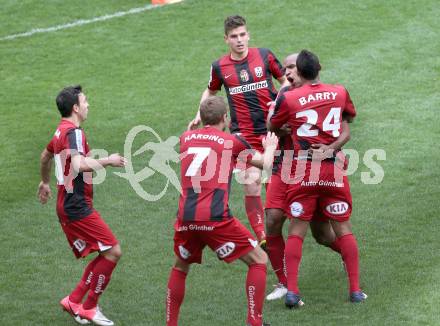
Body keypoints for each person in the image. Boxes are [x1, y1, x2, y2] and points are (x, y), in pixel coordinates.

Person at [167, 96, 278, 326]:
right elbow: (266, 164)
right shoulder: (231, 141)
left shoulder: (185, 138)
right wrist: (270, 147)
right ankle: (254, 322)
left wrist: (193, 129)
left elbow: (196, 139)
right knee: (259, 260)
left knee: (180, 268)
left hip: (186, 217)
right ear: (225, 118)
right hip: (216, 218)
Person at [268, 50, 367, 308]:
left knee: (297, 230)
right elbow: (347, 122)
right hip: (332, 168)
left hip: (303, 169)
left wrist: (279, 126)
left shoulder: (289, 98)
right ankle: (355, 291)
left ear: (298, 71)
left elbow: (272, 126)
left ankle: (292, 292)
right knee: (342, 228)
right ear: (320, 67)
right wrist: (331, 148)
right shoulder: (339, 92)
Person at [187, 15, 286, 246]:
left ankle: (274, 224)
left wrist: (279, 105)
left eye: (243, 35)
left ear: (248, 34)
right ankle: (263, 236)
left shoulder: (264, 56)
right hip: (242, 134)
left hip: (271, 131)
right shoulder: (219, 67)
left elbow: (286, 81)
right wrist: (198, 114)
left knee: (275, 182)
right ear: (226, 39)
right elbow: (210, 92)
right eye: (234, 36)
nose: (240, 40)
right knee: (251, 182)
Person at [37, 85, 127, 325]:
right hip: (75, 205)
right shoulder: (73, 132)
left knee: (106, 251)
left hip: (66, 204)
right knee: (113, 251)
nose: (88, 105)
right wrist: (109, 160)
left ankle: (75, 301)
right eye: (85, 102)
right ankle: (89, 306)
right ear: (75, 108)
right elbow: (78, 165)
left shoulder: (60, 131)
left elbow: (45, 157)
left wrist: (45, 182)